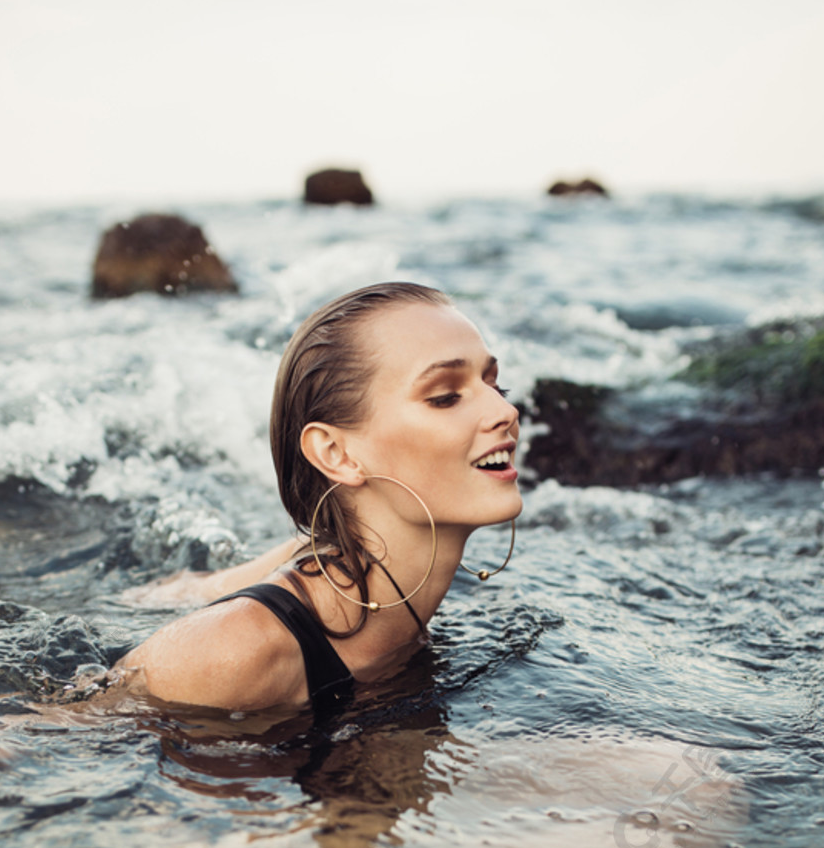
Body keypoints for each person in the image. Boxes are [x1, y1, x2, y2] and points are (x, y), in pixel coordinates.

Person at [115, 282, 522, 719]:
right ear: (337, 454)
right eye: (445, 397)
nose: (505, 412)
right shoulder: (233, 655)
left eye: (495, 385)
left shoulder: (361, 565)